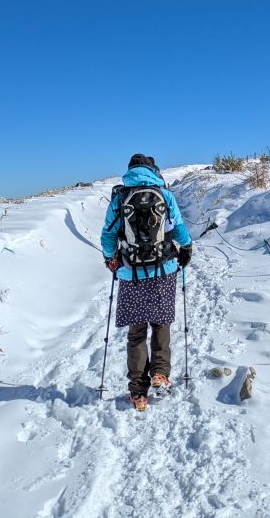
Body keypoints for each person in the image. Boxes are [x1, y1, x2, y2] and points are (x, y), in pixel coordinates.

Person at [100, 153, 192, 411]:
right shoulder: (164, 195)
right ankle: (160, 373)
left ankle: (138, 392)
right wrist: (186, 248)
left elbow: (108, 234)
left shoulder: (120, 197)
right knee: (161, 323)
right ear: (153, 170)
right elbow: (179, 228)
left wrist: (110, 259)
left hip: (132, 273)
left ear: (130, 171)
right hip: (163, 270)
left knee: (137, 333)